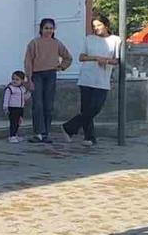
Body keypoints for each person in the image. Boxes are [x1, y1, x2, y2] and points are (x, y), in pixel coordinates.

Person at [64, 14, 123, 146]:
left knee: (95, 108)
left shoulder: (115, 40)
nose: (96, 28)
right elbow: (82, 57)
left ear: (106, 25)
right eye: (94, 26)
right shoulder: (89, 39)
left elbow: (117, 60)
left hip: (102, 79)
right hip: (87, 77)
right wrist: (96, 58)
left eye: (99, 25)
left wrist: (106, 60)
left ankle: (69, 126)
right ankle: (89, 137)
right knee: (86, 109)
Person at [23, 18, 72, 143]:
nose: (48, 30)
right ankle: (38, 133)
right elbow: (28, 61)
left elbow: (68, 57)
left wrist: (61, 67)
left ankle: (46, 133)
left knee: (48, 105)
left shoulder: (57, 43)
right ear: (41, 29)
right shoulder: (34, 43)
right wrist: (29, 78)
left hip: (51, 74)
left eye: (51, 28)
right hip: (37, 74)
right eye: (46, 28)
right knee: (38, 104)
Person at [2, 71, 30, 143]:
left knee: (18, 122)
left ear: (22, 81)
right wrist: (5, 107)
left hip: (20, 108)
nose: (14, 81)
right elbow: (6, 98)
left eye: (17, 79)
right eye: (13, 79)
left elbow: (24, 98)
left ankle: (15, 134)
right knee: (13, 122)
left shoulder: (22, 88)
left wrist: (29, 93)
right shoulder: (10, 89)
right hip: (12, 108)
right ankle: (12, 136)